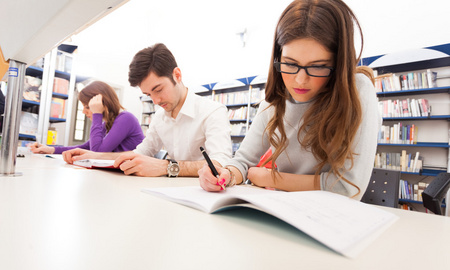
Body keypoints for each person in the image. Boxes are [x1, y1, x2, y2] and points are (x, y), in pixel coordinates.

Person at [198, 0, 381, 200]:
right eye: (290, 64)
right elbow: (242, 161)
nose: (300, 80)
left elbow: (348, 188)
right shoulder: (277, 97)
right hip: (282, 211)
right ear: (278, 57)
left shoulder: (358, 89)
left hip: (331, 219)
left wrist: (271, 179)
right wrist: (227, 174)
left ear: (338, 63)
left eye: (318, 66)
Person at [62, 43, 232, 177]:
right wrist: (91, 156)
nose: (156, 101)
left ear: (177, 75)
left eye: (158, 89)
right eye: (148, 94)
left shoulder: (213, 112)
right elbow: (139, 153)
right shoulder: (159, 117)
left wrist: (167, 167)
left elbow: (222, 163)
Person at [29, 80, 144, 154]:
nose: (84, 111)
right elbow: (86, 147)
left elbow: (97, 152)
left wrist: (97, 114)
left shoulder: (125, 118)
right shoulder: (108, 123)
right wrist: (51, 149)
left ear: (103, 104)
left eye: (87, 107)